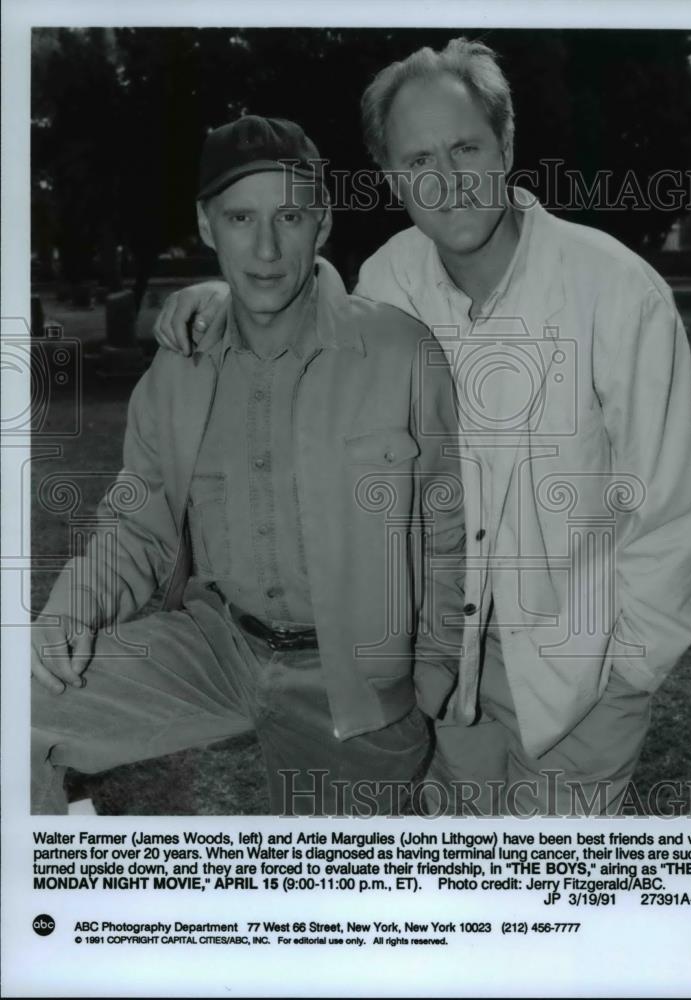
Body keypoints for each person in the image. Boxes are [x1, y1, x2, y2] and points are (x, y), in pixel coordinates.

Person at [154, 39, 691, 817]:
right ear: (390, 175)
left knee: (547, 917)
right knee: (449, 910)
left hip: (579, 674)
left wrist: (628, 677)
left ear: (507, 145)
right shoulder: (390, 279)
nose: (447, 182)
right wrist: (225, 288)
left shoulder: (617, 292)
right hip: (438, 676)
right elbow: (304, 314)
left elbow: (673, 512)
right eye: (418, 160)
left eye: (465, 148)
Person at [32, 114, 466, 817]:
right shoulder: (180, 365)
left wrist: (436, 670)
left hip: (352, 685)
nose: (266, 247)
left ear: (320, 224)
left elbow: (451, 532)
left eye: (290, 216)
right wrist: (73, 604)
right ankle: (50, 906)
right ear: (207, 227)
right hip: (215, 644)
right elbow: (139, 524)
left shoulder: (400, 353)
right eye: (241, 217)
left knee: (328, 914)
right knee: (19, 699)